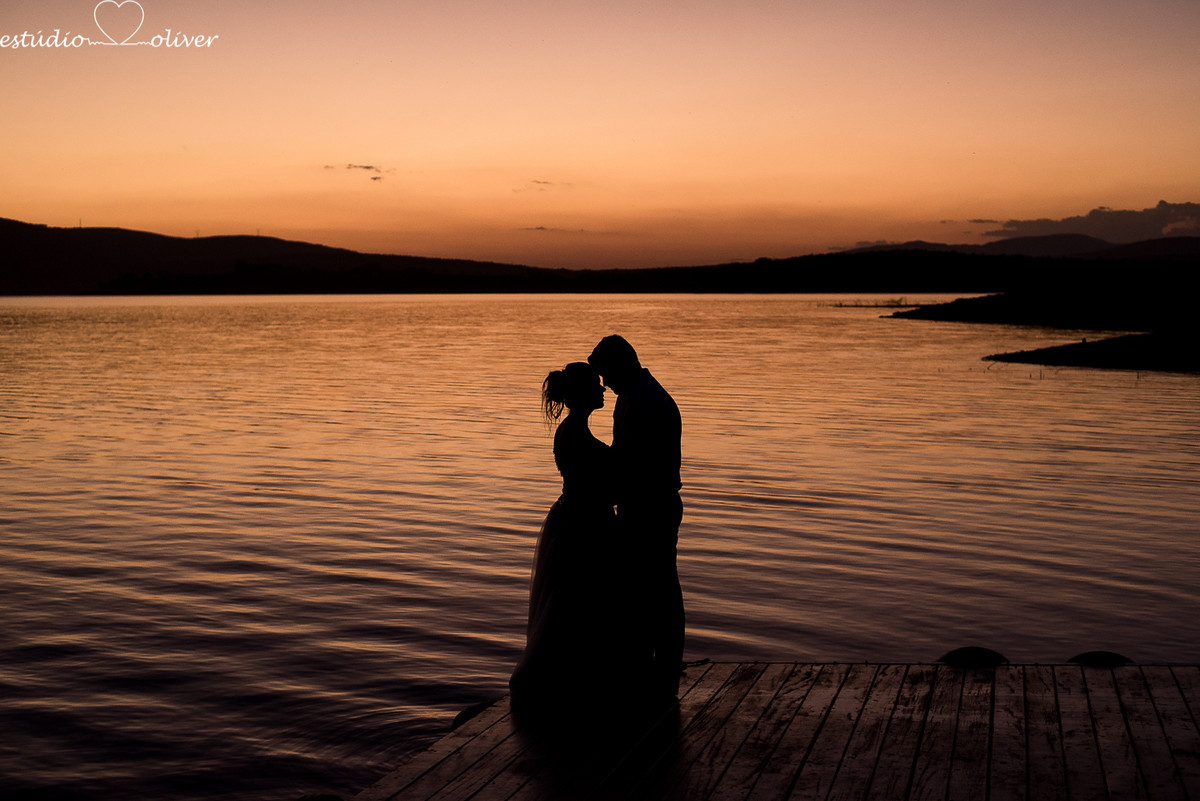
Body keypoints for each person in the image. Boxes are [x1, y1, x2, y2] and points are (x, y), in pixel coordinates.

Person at [509, 362, 650, 722]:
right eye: (596, 385)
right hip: (582, 526)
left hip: (581, 520)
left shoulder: (575, 432)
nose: (603, 389)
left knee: (582, 603)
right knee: (576, 600)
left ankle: (584, 678)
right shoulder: (574, 435)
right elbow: (601, 486)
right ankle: (573, 682)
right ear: (582, 393)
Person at [587, 335, 684, 700]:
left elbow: (643, 468)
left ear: (622, 364)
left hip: (654, 508)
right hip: (633, 506)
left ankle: (667, 671)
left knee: (662, 589)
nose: (605, 385)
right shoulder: (628, 397)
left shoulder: (654, 403)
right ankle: (644, 664)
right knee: (639, 589)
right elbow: (620, 457)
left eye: (607, 375)